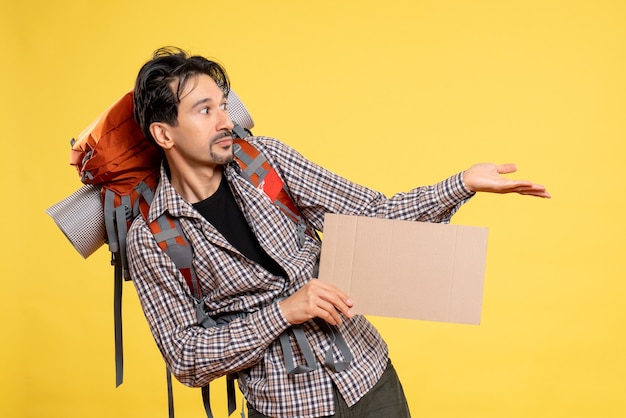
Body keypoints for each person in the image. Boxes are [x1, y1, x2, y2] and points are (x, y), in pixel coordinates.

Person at [127, 46, 550, 418]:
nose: (226, 120)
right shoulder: (151, 238)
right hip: (283, 408)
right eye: (205, 110)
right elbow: (186, 357)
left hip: (370, 380)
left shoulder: (266, 162)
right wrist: (284, 312)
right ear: (164, 133)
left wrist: (460, 183)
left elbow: (372, 216)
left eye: (223, 104)